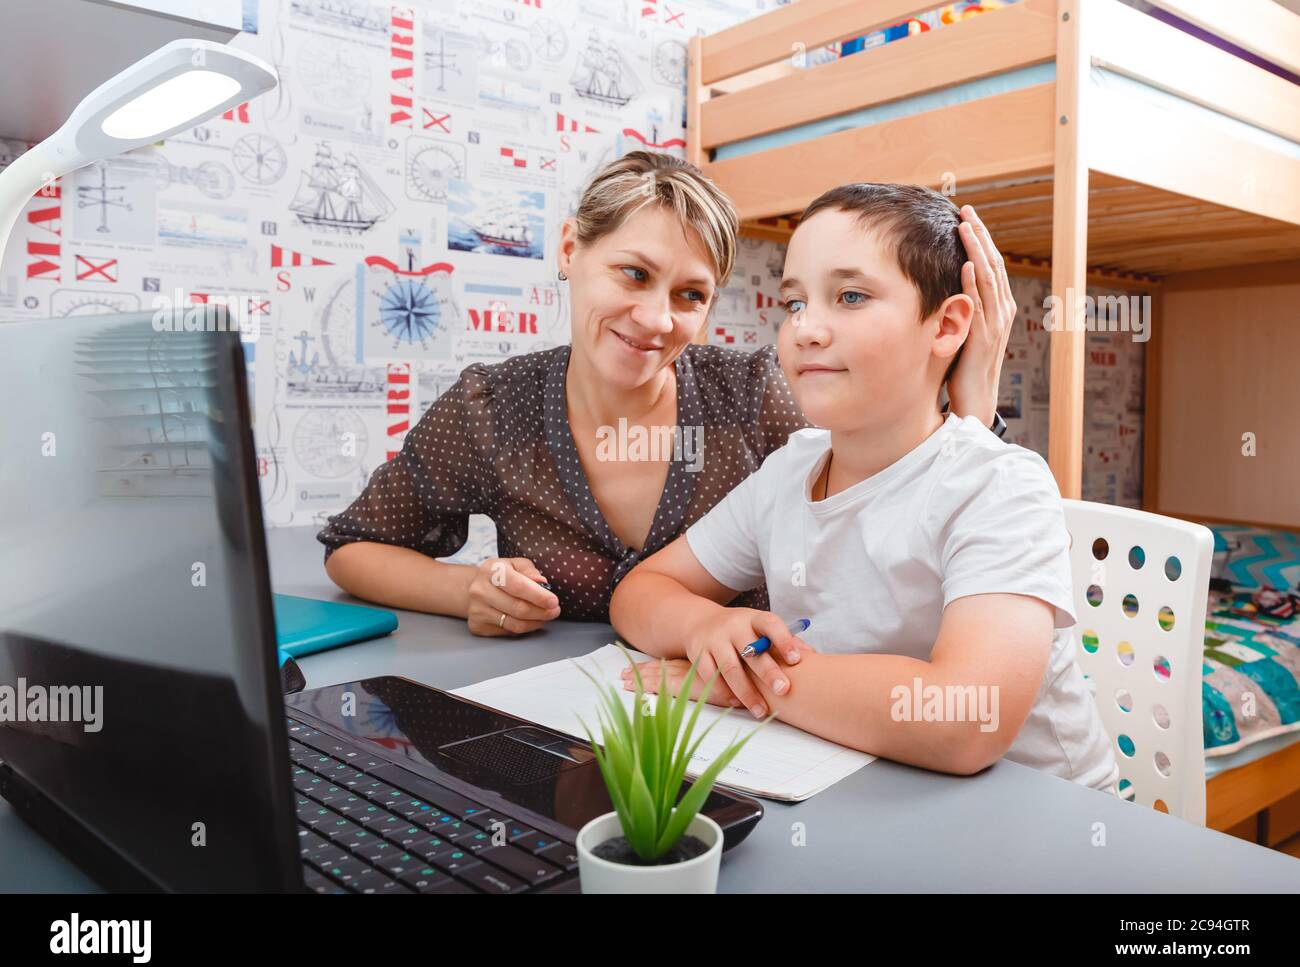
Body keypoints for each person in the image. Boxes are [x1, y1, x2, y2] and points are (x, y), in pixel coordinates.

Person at [320, 152, 1018, 638]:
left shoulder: (750, 397)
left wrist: (973, 395)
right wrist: (466, 588)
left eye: (689, 295)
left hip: (740, 726)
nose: (656, 319)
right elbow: (354, 547)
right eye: (632, 274)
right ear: (570, 250)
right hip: (553, 726)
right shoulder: (493, 408)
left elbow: (898, 500)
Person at [609, 183, 1120, 792]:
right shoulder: (787, 472)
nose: (807, 329)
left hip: (1042, 820)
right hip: (870, 777)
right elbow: (641, 590)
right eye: (795, 302)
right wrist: (704, 631)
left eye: (851, 296)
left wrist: (754, 681)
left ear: (948, 325)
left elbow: (967, 716)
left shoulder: (998, 484)